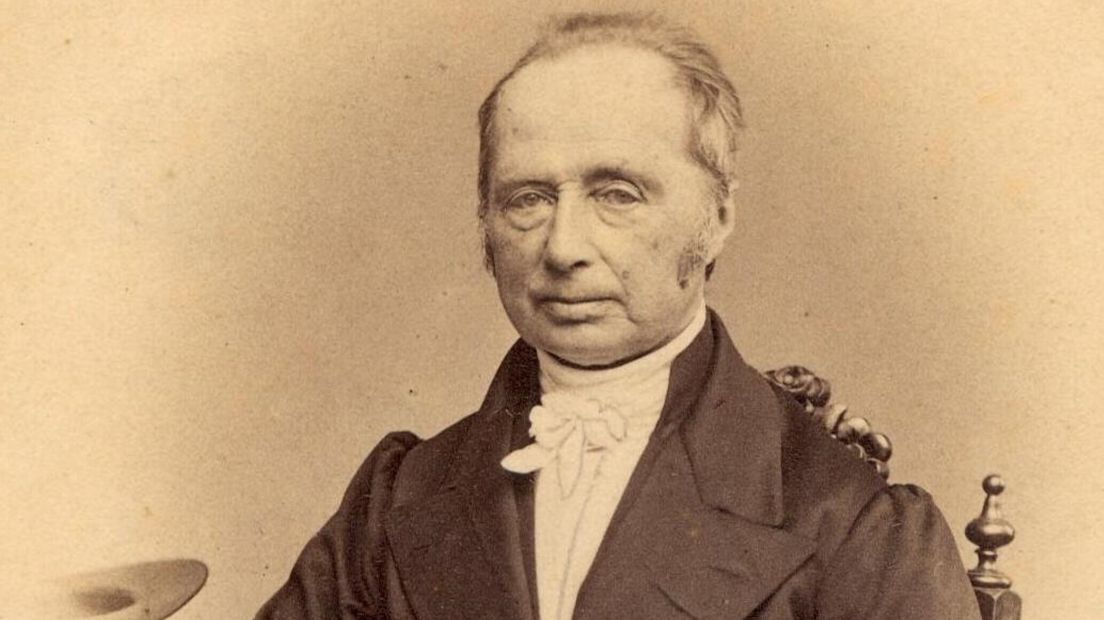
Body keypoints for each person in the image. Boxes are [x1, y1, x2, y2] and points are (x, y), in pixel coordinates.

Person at [258, 12, 979, 619]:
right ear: (485, 221)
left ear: (717, 217)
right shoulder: (398, 498)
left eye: (617, 195)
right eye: (528, 199)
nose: (563, 248)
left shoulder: (853, 524)